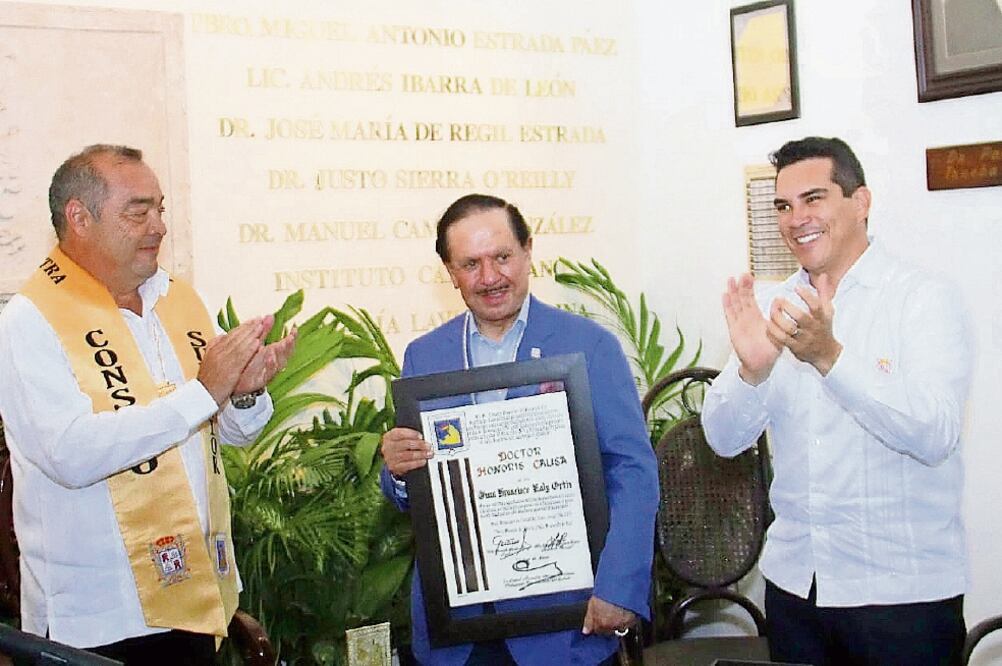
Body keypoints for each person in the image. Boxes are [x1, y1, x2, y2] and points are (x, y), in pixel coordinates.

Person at [0, 144, 296, 664]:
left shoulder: (176, 300)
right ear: (79, 218)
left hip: (191, 596)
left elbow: (220, 435)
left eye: (160, 209)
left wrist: (244, 391)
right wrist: (202, 393)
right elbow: (70, 454)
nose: (158, 226)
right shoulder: (31, 320)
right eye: (138, 212)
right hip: (96, 619)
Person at [702, 137, 971, 665]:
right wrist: (753, 373)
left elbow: (936, 433)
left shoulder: (923, 298)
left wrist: (831, 358)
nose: (796, 218)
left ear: (861, 202)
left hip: (902, 598)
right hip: (796, 591)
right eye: (783, 205)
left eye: (813, 198)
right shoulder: (772, 306)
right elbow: (723, 440)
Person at [379, 194, 658, 666]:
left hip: (564, 626)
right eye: (470, 264)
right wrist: (400, 471)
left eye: (502, 257)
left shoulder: (588, 346)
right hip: (460, 630)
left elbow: (632, 471)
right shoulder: (425, 356)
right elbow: (415, 483)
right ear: (449, 272)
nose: (489, 278)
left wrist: (619, 587)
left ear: (529, 251)